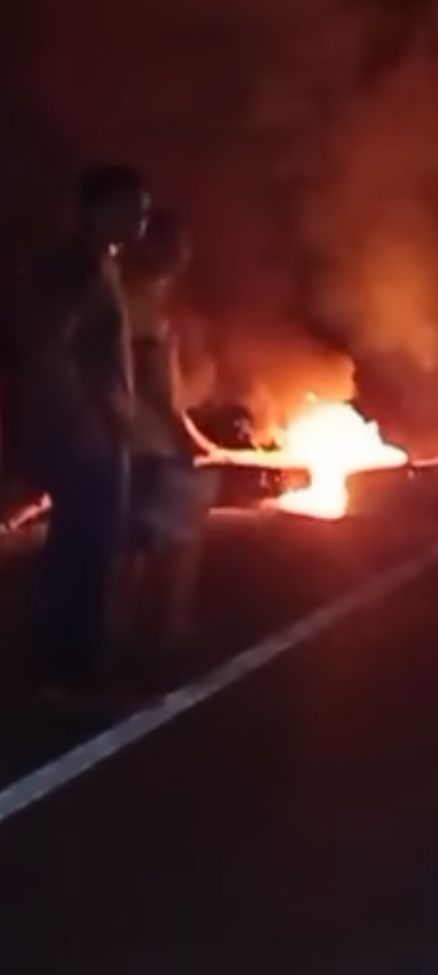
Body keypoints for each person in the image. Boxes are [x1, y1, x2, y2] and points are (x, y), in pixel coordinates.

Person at [11, 164, 149, 696]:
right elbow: (48, 349)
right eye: (132, 208)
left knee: (93, 549)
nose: (140, 220)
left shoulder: (100, 266)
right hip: (82, 439)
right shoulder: (75, 270)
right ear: (99, 210)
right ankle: (66, 671)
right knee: (82, 551)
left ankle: (81, 661)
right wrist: (85, 422)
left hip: (96, 433)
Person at [120, 210, 217, 653]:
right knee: (177, 536)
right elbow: (154, 380)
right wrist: (190, 438)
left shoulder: (132, 294)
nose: (184, 255)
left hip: (129, 436)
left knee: (133, 537)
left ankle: (117, 629)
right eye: (174, 244)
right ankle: (169, 628)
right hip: (150, 439)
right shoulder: (140, 300)